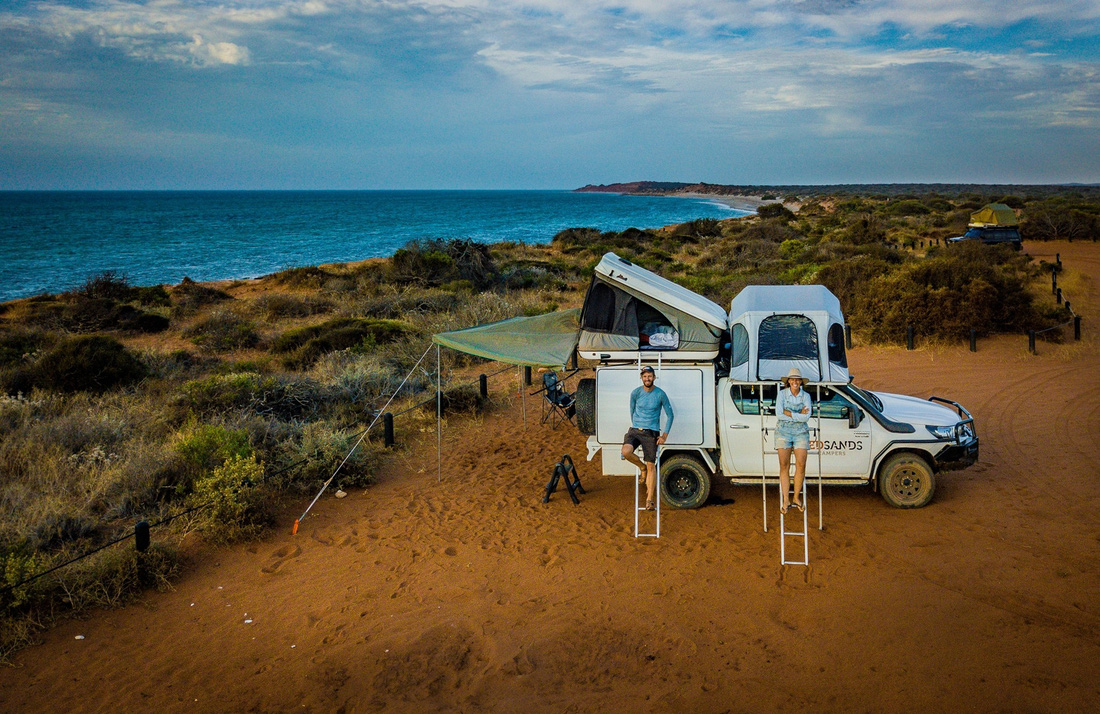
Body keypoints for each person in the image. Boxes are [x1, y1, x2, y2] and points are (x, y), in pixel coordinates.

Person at [621, 365, 674, 511]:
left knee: (652, 465)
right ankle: (641, 467)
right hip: (635, 430)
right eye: (644, 376)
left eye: (649, 376)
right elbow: (632, 411)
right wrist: (637, 424)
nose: (647, 378)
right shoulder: (636, 393)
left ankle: (649, 499)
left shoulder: (660, 394)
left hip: (651, 432)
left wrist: (664, 435)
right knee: (626, 452)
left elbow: (671, 415)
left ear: (654, 377)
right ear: (641, 378)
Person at [776, 367, 812, 515]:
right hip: (783, 431)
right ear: (789, 381)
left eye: (798, 379)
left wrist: (789, 413)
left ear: (800, 382)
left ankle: (796, 496)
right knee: (784, 465)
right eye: (793, 379)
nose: (795, 382)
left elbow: (807, 417)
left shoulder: (806, 396)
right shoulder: (781, 394)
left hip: (801, 433)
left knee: (801, 464)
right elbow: (779, 414)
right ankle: (786, 499)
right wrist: (798, 414)